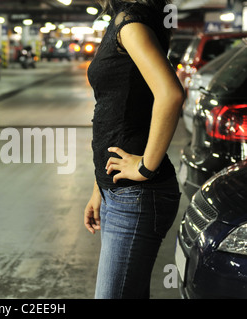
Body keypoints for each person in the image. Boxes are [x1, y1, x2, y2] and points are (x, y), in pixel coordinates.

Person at [84, 0, 185, 299]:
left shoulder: (131, 24)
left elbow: (170, 94)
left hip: (137, 196)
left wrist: (145, 167)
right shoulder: (123, 20)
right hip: (119, 192)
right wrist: (98, 188)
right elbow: (115, 112)